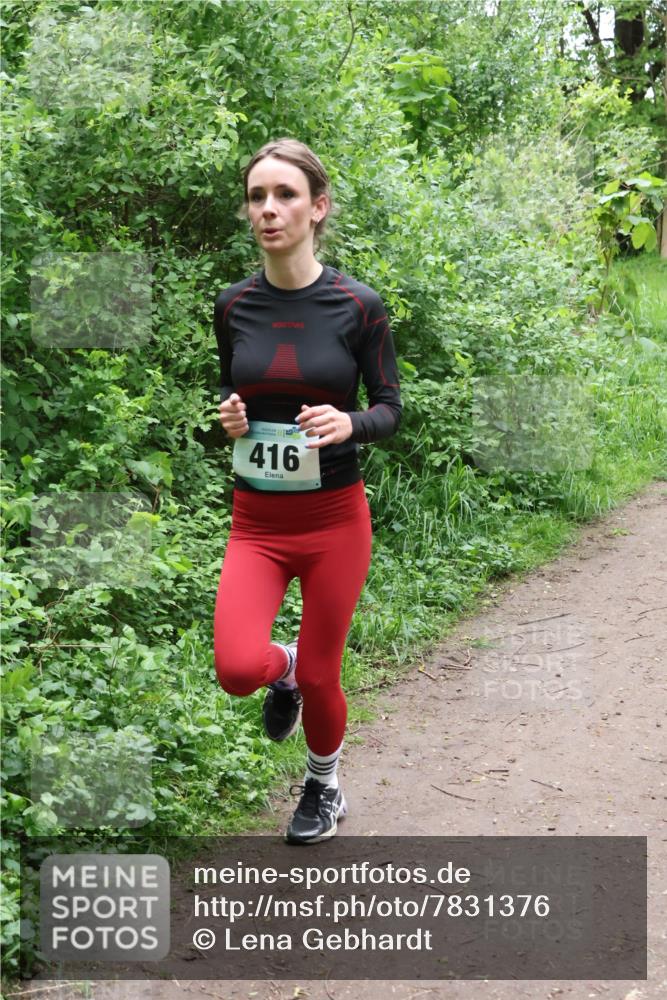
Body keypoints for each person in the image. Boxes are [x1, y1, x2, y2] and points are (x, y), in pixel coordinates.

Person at [213, 137, 402, 845]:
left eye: (285, 195)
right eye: (257, 196)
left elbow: (390, 408)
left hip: (333, 522)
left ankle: (323, 785)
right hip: (255, 523)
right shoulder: (233, 305)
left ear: (317, 207)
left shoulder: (357, 305)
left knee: (327, 676)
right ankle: (282, 666)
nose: (268, 209)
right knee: (239, 669)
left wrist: (349, 422)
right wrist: (229, 417)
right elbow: (230, 393)